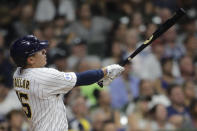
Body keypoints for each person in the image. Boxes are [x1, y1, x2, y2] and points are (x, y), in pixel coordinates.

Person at [9, 35, 124, 131]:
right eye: (39, 51)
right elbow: (80, 78)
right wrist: (106, 71)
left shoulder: (17, 74)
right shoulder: (43, 76)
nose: (44, 51)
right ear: (31, 60)